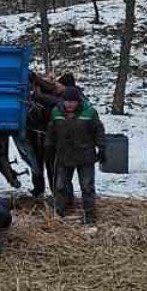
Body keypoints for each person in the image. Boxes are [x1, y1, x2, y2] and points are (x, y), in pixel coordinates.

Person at [46, 85, 106, 225]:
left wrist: (102, 148)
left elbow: (99, 131)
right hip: (64, 155)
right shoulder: (56, 112)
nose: (70, 105)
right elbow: (51, 132)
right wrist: (48, 147)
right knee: (60, 186)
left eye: (73, 102)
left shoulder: (89, 112)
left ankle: (89, 216)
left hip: (85, 155)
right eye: (67, 101)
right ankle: (59, 213)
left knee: (87, 187)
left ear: (78, 102)